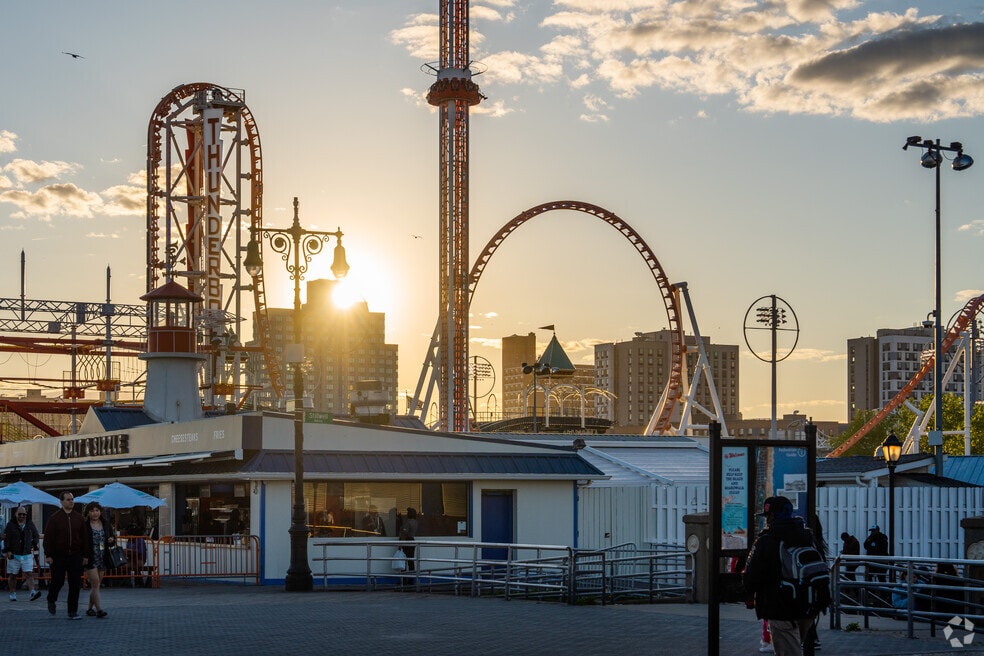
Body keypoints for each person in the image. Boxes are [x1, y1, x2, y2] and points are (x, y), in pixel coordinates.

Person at [743, 496, 817, 656]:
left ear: (772, 517)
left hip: (781, 608)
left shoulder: (767, 541)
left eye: (768, 516)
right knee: (794, 647)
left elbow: (752, 578)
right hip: (808, 608)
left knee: (788, 652)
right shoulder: (806, 537)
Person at [44, 491, 90, 620]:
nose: (71, 502)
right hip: (59, 556)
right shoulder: (55, 518)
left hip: (75, 555)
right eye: (68, 499)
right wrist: (49, 555)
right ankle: (51, 599)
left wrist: (85, 555)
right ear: (62, 502)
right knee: (57, 581)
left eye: (72, 499)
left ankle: (72, 611)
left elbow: (84, 538)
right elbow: (48, 538)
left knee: (75, 584)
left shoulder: (79, 518)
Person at [2, 506, 41, 601]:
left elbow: (36, 535)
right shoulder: (10, 525)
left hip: (26, 553)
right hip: (14, 554)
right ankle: (12, 593)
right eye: (20, 514)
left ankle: (32, 592)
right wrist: (7, 551)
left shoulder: (29, 523)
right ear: (16, 514)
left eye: (24, 514)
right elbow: (6, 539)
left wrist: (33, 544)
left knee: (29, 573)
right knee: (13, 575)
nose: (22, 516)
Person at [83, 501, 115, 617]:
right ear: (88, 513)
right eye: (92, 511)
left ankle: (89, 609)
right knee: (95, 583)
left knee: (96, 585)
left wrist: (111, 540)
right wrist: (84, 556)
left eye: (97, 510)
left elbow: (112, 539)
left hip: (103, 557)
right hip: (90, 558)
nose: (94, 513)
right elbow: (82, 542)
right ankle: (99, 610)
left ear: (100, 512)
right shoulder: (85, 525)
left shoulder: (106, 524)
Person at [399, 507, 418, 572]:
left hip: (406, 541)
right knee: (410, 561)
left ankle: (404, 579)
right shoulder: (415, 522)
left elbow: (404, 533)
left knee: (403, 560)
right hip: (412, 541)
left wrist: (401, 543)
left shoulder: (408, 522)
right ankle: (411, 578)